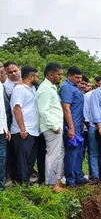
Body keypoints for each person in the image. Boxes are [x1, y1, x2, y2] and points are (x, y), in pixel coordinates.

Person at [36, 62, 65, 190]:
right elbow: (43, 111)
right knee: (53, 155)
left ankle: (57, 182)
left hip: (55, 128)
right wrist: (55, 127)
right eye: (59, 74)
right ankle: (51, 184)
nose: (60, 77)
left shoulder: (51, 87)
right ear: (50, 74)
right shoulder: (45, 89)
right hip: (51, 128)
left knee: (59, 154)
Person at [10, 65, 40, 184]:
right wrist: (22, 129)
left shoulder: (32, 89)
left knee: (30, 159)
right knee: (22, 159)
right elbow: (17, 108)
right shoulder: (19, 89)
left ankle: (26, 181)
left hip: (33, 130)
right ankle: (21, 184)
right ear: (31, 76)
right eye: (37, 76)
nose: (38, 78)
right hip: (23, 130)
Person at [60, 66, 86, 188]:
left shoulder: (75, 87)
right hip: (72, 126)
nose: (79, 80)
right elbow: (66, 108)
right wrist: (71, 127)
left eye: (80, 78)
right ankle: (70, 179)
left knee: (79, 153)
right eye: (77, 77)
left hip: (79, 125)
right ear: (69, 76)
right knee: (71, 153)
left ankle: (79, 176)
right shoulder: (66, 87)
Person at [0, 64, 11, 191]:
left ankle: (1, 185)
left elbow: (3, 111)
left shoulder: (1, 87)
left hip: (2, 129)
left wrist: (5, 127)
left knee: (2, 157)